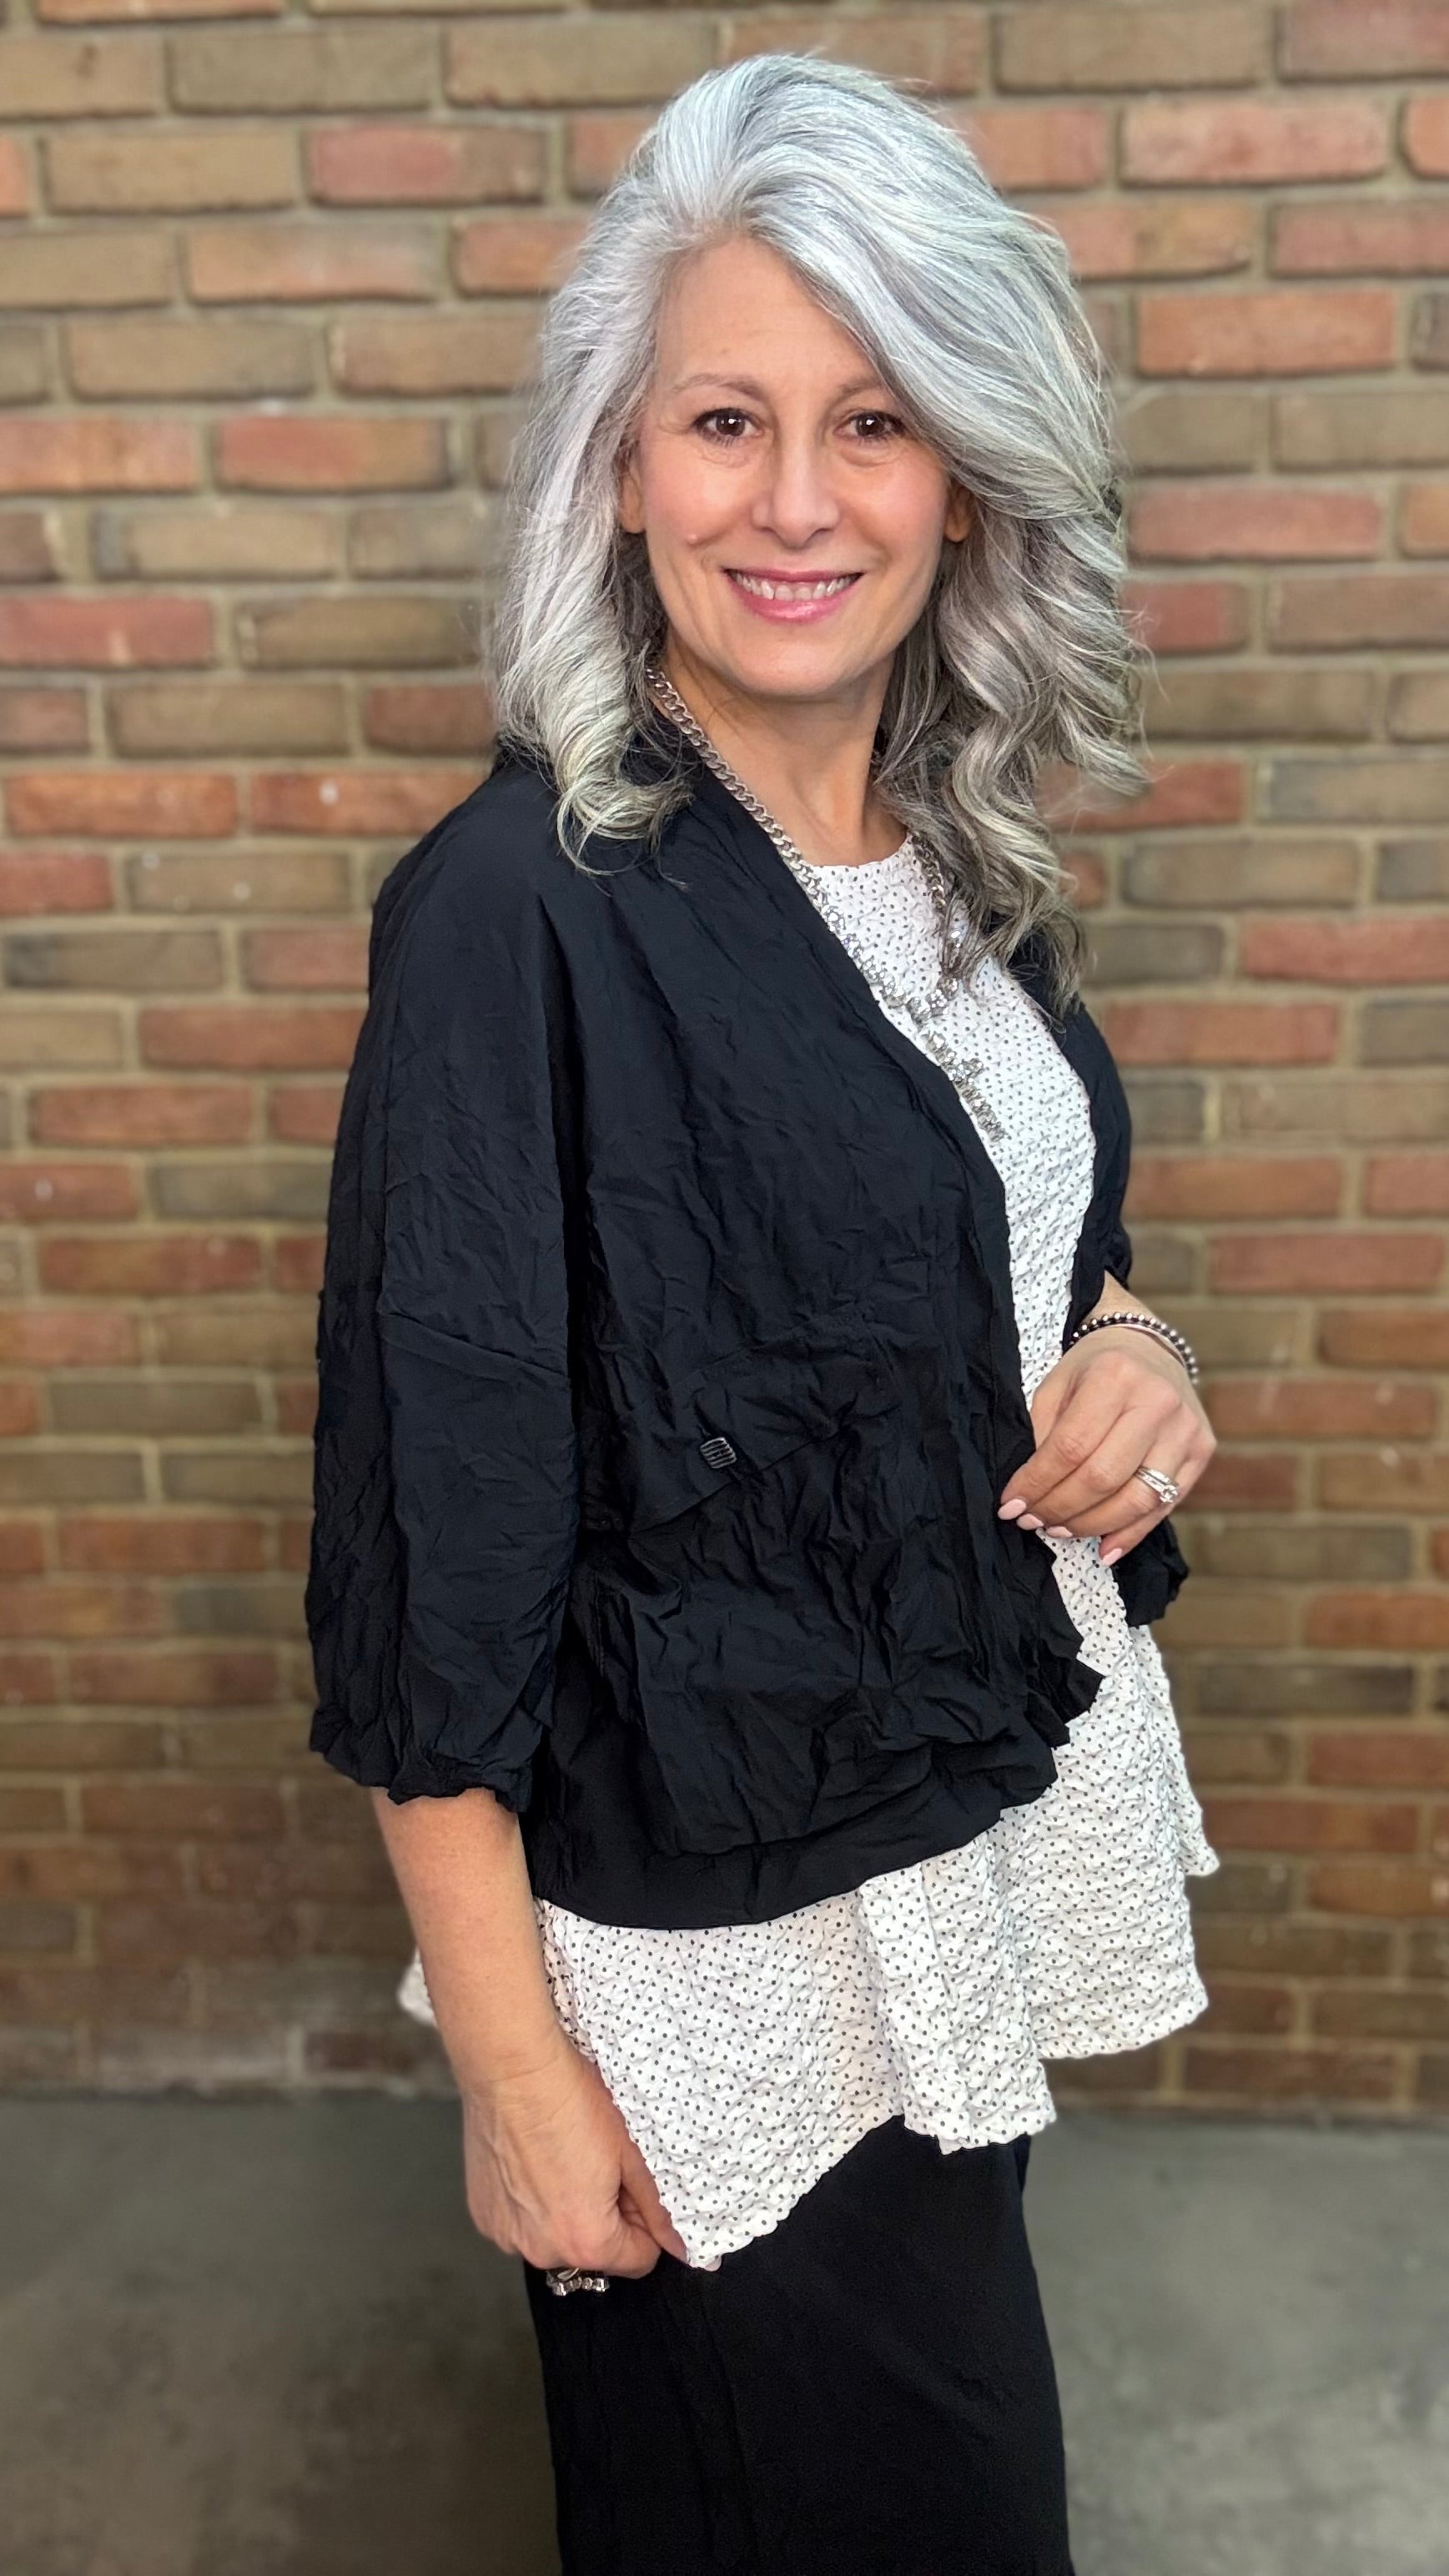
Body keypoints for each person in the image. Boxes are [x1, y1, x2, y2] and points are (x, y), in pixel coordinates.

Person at [305, 50, 1220, 2576]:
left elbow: (1014, 1253)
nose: (797, 502)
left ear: (962, 475)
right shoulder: (522, 917)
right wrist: (513, 2074)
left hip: (949, 1871)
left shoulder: (964, 863)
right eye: (723, 418)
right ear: (619, 465)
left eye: (872, 422)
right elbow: (434, 1533)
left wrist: (1141, 1360)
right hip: (718, 1966)